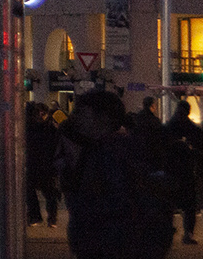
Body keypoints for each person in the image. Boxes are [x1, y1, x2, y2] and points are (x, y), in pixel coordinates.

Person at [64, 89, 173, 259]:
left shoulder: (108, 153)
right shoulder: (119, 148)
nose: (76, 119)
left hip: (112, 244)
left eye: (82, 114)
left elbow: (115, 203)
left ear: (102, 118)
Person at [165, 100, 203, 244]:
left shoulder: (169, 127)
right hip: (186, 171)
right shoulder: (192, 129)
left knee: (169, 203)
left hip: (173, 170)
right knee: (188, 205)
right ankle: (187, 233)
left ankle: (171, 232)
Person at [26, 102, 62, 228]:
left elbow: (57, 146)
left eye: (43, 113)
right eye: (38, 112)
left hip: (47, 165)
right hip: (33, 164)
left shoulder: (51, 129)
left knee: (50, 193)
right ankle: (35, 216)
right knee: (30, 192)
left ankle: (52, 218)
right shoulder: (29, 127)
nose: (40, 115)